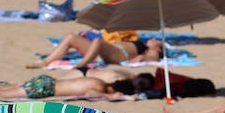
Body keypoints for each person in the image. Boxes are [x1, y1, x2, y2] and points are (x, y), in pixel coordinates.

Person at [0, 73, 146, 104]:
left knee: (4, 91)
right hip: (42, 86)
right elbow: (94, 95)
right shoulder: (102, 87)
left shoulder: (101, 83)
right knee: (5, 92)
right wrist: (121, 97)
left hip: (43, 84)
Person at [29, 31, 165, 70]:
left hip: (117, 55)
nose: (153, 38)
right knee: (71, 37)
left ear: (159, 48)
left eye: (156, 40)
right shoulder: (143, 43)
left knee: (97, 41)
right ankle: (45, 62)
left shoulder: (151, 51)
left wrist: (137, 60)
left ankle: (81, 65)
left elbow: (148, 59)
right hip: (102, 51)